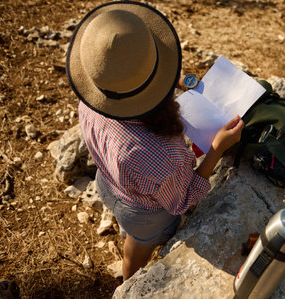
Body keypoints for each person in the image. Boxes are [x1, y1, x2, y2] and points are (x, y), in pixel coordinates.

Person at [66, 1, 244, 281]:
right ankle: (129, 283)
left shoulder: (93, 98)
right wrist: (216, 150)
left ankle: (125, 230)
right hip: (145, 215)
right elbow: (181, 201)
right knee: (136, 247)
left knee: (125, 221)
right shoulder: (165, 156)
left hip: (108, 183)